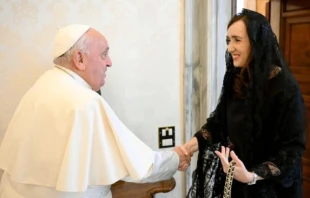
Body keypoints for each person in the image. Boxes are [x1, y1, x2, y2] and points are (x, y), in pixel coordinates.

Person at [0, 24, 190, 198]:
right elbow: (139, 166)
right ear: (80, 58)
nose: (109, 63)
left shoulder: (42, 84)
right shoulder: (85, 101)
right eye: (104, 54)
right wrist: (176, 158)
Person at [184, 9, 307, 198]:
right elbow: (219, 123)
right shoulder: (237, 78)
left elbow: (291, 151)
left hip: (272, 190)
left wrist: (251, 176)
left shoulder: (285, 89)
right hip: (237, 183)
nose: (230, 47)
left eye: (237, 40)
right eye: (228, 40)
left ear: (256, 43)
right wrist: (187, 148)